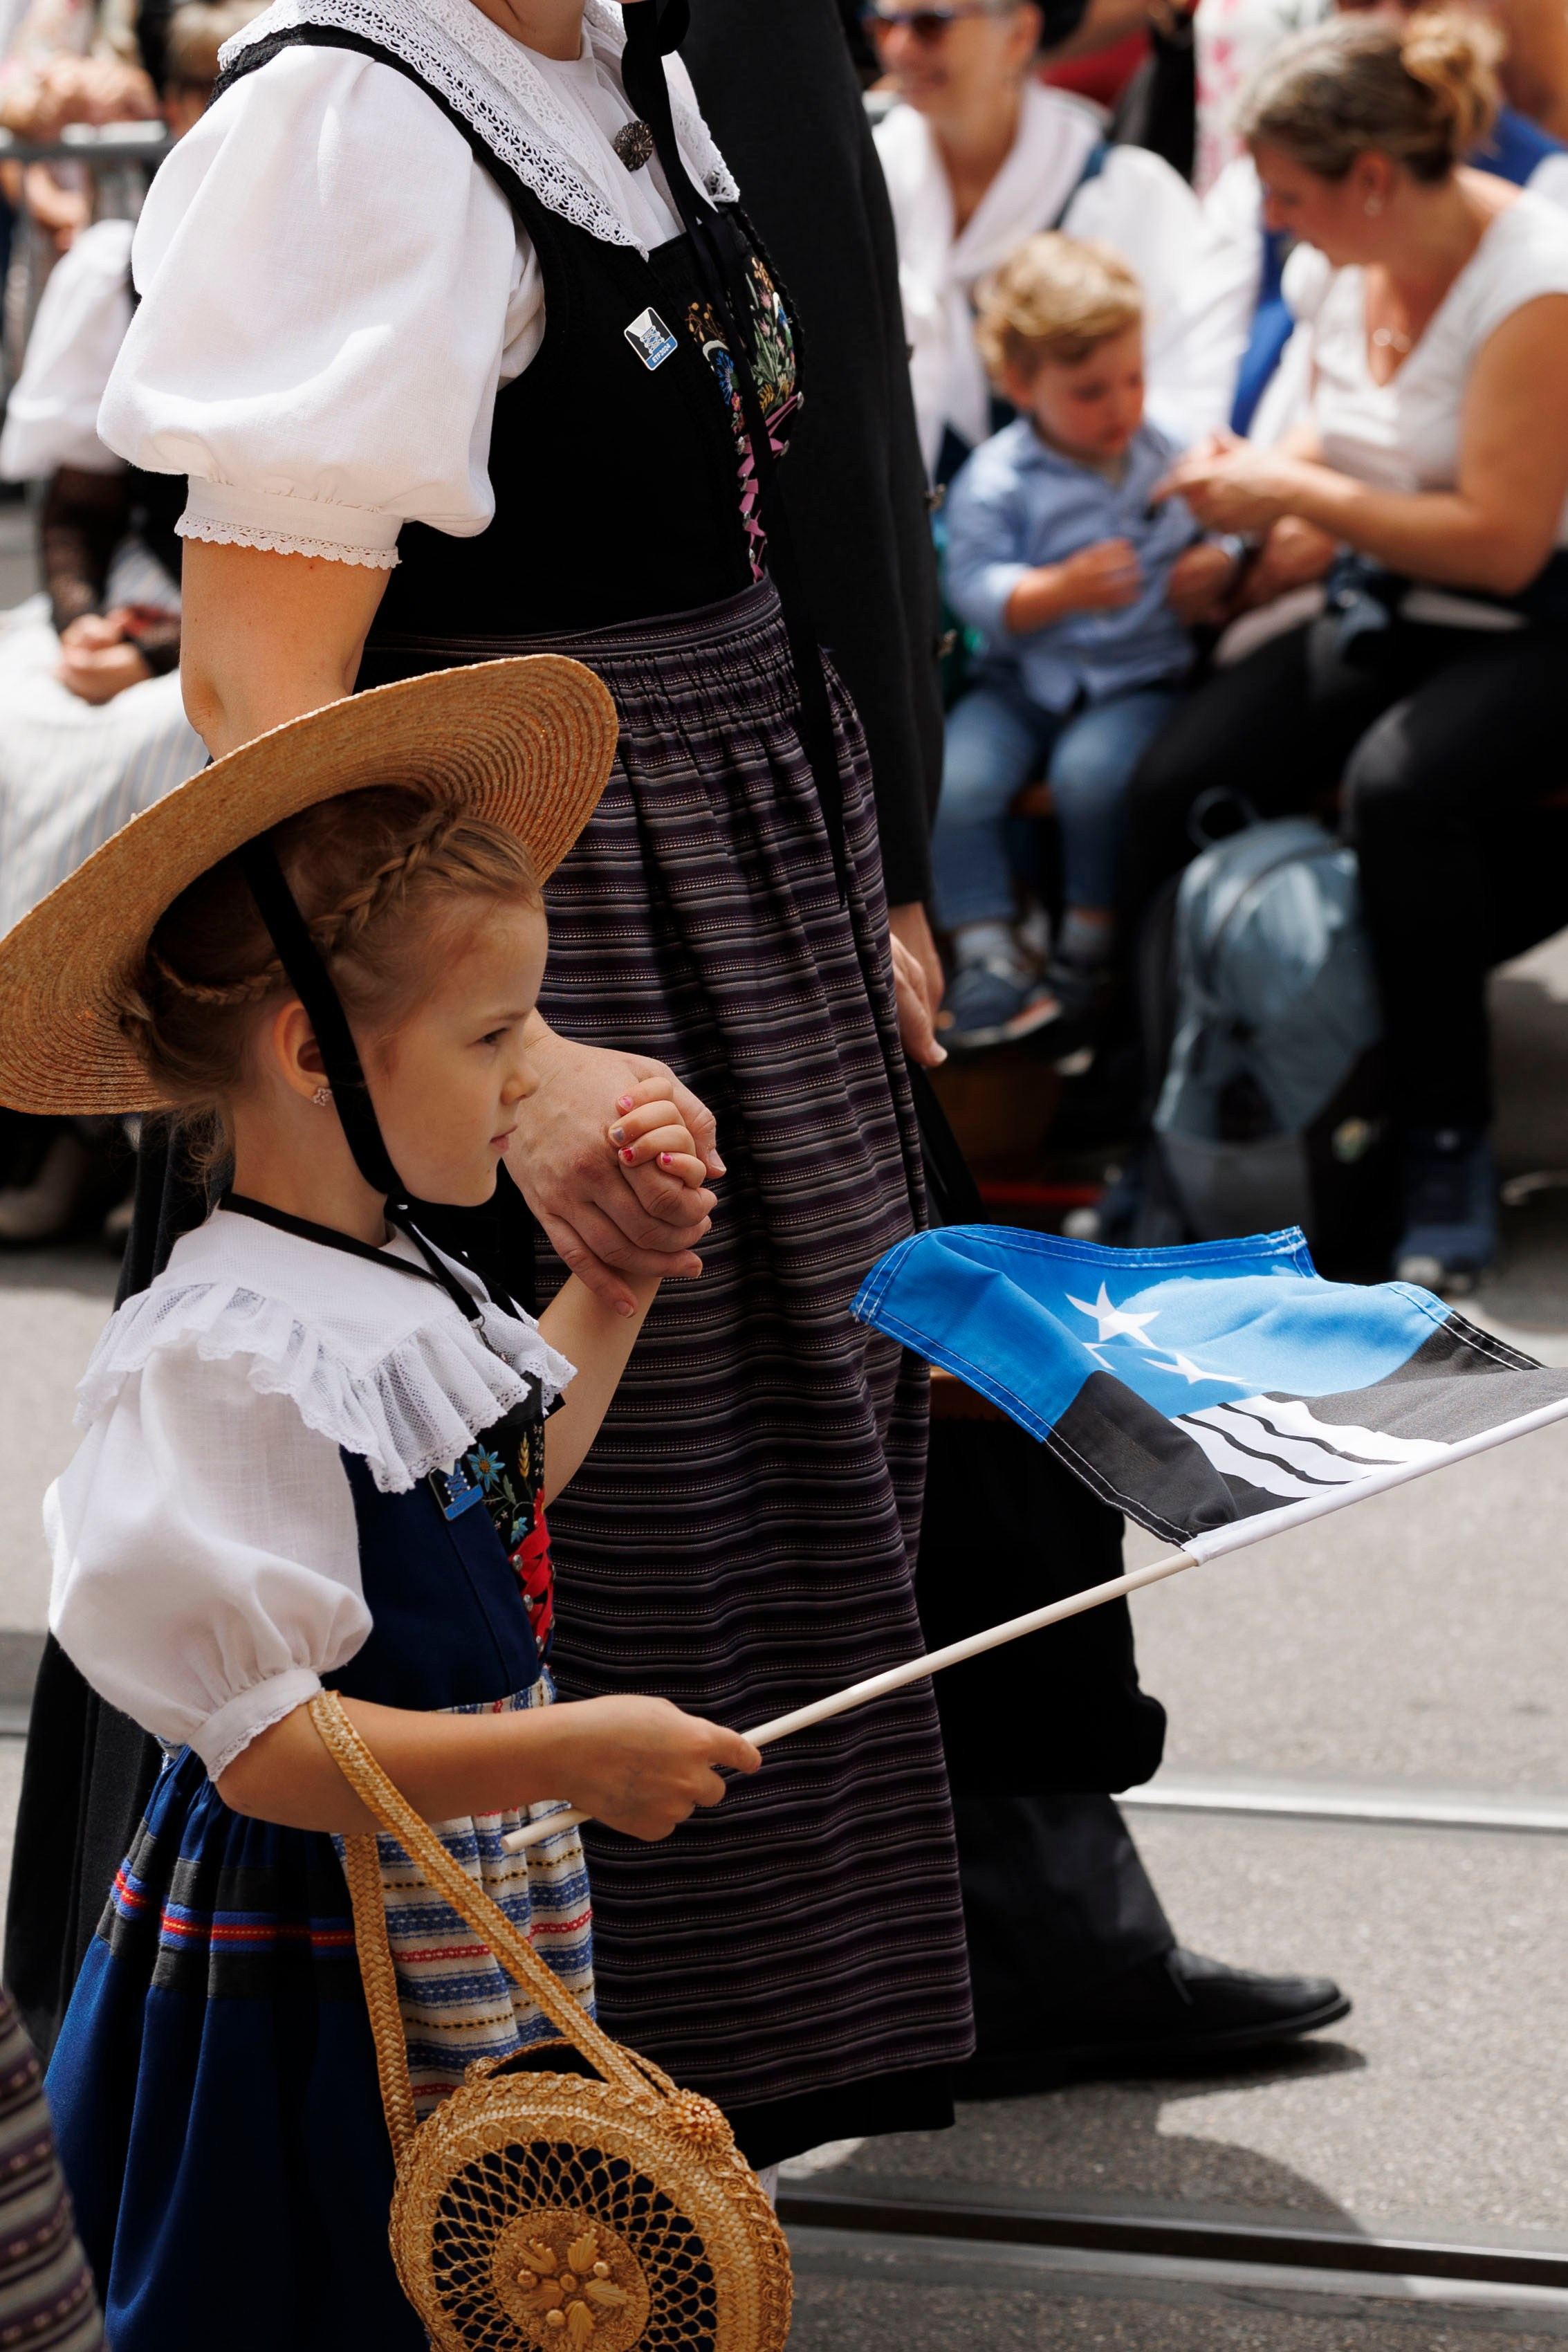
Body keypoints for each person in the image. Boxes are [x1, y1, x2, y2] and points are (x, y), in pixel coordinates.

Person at [24, 0, 972, 2176]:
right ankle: (468, 2180)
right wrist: (515, 1058)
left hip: (701, 858)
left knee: (714, 1486)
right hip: (491, 915)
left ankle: (608, 2182)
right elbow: (261, 675)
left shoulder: (602, 66)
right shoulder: (358, 112)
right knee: (463, 1541)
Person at [19, 658, 767, 2348]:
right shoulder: (225, 1348)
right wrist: (567, 1752)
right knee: (320, 2279)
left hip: (458, 1876)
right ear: (308, 1051)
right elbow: (268, 1745)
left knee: (467, 2257)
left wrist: (613, 1284)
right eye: (493, 1034)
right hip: (312, 1947)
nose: (527, 1080)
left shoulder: (408, 1274)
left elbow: (499, 1499)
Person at [1126, 8, 1568, 1291]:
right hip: (1396, 601)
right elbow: (1339, 439)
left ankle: (1442, 1149)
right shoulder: (1336, 263)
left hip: (1534, 621)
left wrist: (1288, 496)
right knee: (1172, 780)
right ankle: (1170, 1139)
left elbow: (1498, 541)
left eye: (1285, 192)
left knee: (1398, 787)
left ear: (1368, 181)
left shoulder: (1532, 281)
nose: (1270, 221)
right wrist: (1242, 510)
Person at [0, 1, 253, 1247]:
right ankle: (45, 1118)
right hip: (153, 598)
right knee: (12, 715)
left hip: (260, 625)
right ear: (165, 109)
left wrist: (157, 652)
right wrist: (82, 620)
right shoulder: (118, 266)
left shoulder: (330, 257)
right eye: (200, 89)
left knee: (159, 752)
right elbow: (78, 500)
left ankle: (168, 1127)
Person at [933, 231, 1236, 1049]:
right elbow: (970, 586)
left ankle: (1086, 948)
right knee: (955, 779)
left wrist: (1219, 561)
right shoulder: (999, 477)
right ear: (1021, 383)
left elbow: (1225, 521)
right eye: (1090, 390)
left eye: (1132, 379)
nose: (1120, 407)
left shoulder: (1165, 449)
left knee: (1095, 776)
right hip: (1024, 680)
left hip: (1137, 676)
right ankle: (986, 951)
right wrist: (1050, 592)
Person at [869, 0, 1254, 482]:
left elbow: (1186, 402)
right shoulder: (857, 190)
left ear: (1019, 34)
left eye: (930, 25)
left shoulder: (1128, 196)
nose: (898, 49)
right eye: (882, 24)